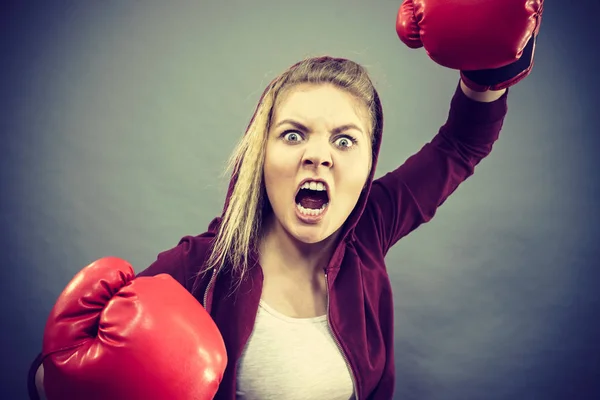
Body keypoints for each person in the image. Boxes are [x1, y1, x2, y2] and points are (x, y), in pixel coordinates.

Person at [28, 1, 544, 399]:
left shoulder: (370, 230)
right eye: (294, 135)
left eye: (345, 140)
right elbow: (69, 365)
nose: (319, 156)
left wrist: (487, 68)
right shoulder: (200, 267)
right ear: (262, 154)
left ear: (368, 165)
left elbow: (461, 144)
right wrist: (60, 384)